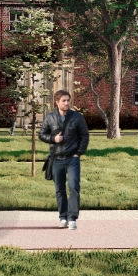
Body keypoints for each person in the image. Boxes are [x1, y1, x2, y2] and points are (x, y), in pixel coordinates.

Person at [40, 88, 89, 231]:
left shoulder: (77, 117)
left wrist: (78, 153)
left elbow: (84, 136)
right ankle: (63, 217)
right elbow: (42, 134)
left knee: (74, 188)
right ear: (57, 102)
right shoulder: (50, 117)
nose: (67, 103)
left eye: (68, 100)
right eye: (64, 101)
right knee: (59, 190)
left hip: (72, 159)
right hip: (56, 159)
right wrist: (53, 139)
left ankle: (72, 218)